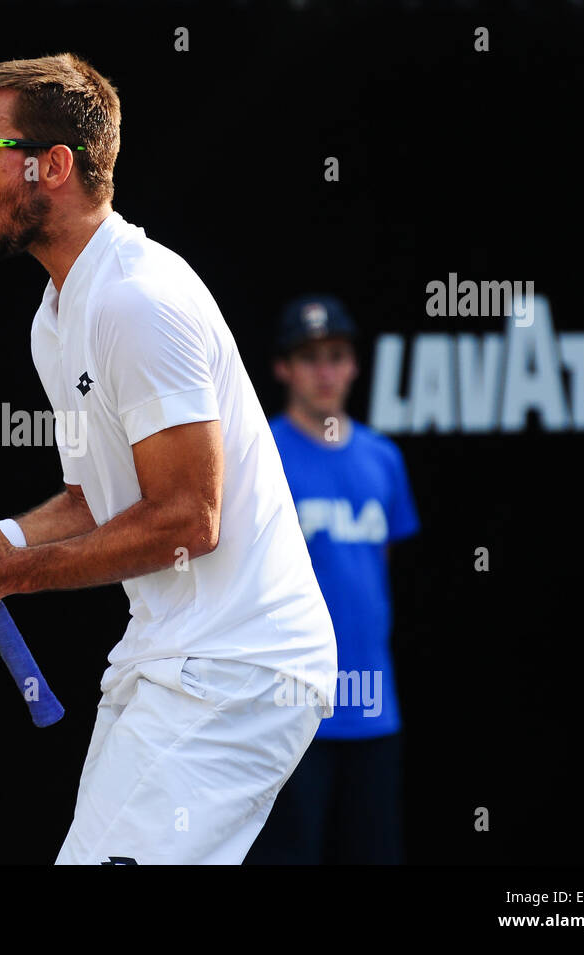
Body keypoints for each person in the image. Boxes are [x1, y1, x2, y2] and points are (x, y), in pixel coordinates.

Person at [0, 54, 337, 864]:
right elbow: (94, 498)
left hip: (239, 670)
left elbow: (193, 516)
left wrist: (11, 576)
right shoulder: (55, 319)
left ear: (52, 166)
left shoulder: (139, 298)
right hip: (167, 660)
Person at [244, 296, 421, 864]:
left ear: (355, 365)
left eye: (337, 356)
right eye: (310, 357)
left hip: (374, 708)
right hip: (289, 709)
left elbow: (378, 572)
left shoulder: (384, 458)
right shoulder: (260, 454)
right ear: (282, 368)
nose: (325, 371)